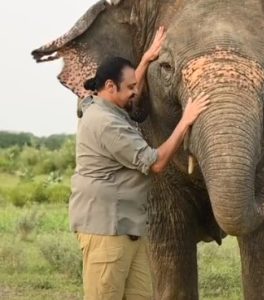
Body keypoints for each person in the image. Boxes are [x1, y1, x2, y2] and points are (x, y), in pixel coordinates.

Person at [69, 27, 210, 300]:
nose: (137, 92)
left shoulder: (107, 108)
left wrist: (144, 61)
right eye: (131, 87)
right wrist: (185, 121)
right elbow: (154, 163)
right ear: (110, 87)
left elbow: (128, 97)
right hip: (106, 230)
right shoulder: (105, 123)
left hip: (128, 228)